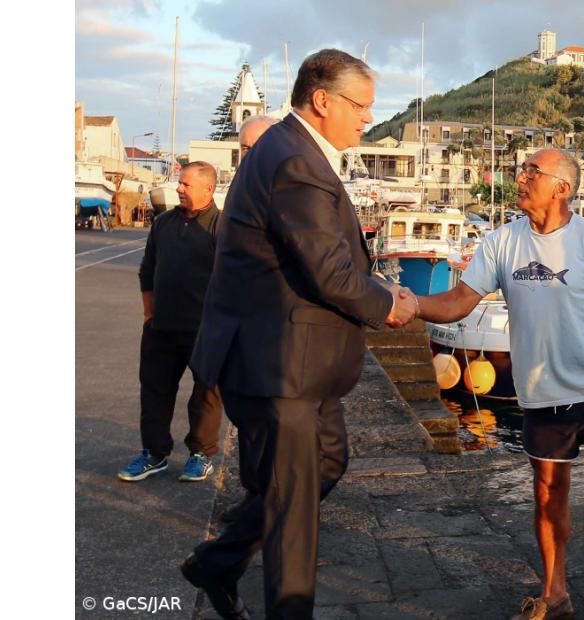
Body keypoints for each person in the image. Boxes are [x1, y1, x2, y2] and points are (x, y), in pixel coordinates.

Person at [180, 49, 417, 620]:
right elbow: (330, 272)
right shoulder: (295, 161)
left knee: (327, 464)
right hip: (277, 362)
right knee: (294, 512)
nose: (367, 118)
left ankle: (218, 562)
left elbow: (323, 256)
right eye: (361, 106)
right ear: (322, 100)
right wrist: (390, 305)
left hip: (301, 364)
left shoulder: (299, 154)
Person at [405, 148, 584, 620]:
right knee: (548, 496)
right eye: (522, 170)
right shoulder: (502, 242)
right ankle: (556, 591)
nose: (520, 178)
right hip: (542, 397)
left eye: (532, 172)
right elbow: (461, 300)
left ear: (561, 188)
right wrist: (414, 304)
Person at [118, 161, 224, 483]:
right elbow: (146, 270)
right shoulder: (163, 223)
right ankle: (154, 453)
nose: (178, 188)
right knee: (154, 392)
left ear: (208, 189)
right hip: (161, 329)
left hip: (205, 331)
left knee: (206, 395)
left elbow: (236, 281)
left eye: (186, 185)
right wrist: (149, 315)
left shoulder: (224, 228)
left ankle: (200, 454)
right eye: (180, 183)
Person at [218, 113, 278, 524]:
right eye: (243, 150)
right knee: (248, 425)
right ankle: (253, 497)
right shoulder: (238, 191)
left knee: (275, 429)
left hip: (274, 333)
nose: (248, 156)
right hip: (237, 330)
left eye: (255, 149)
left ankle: (271, 504)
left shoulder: (283, 191)